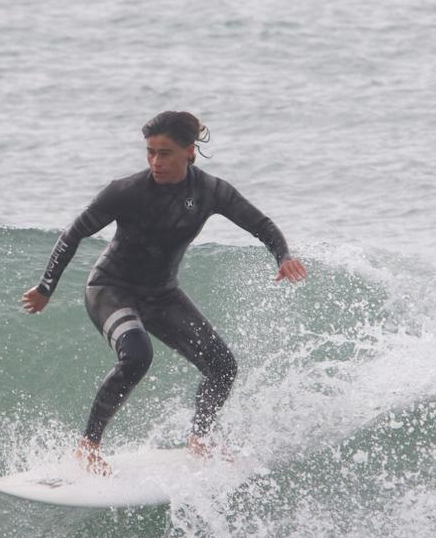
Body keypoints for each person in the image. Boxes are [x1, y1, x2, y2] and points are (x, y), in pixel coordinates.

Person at [20, 111, 306, 475]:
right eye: (150, 152)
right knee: (137, 356)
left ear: (190, 152)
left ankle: (199, 439)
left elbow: (260, 224)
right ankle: (87, 446)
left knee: (222, 366)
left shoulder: (211, 191)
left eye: (165, 153)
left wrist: (282, 256)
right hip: (111, 288)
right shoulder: (125, 192)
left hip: (161, 294)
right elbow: (72, 234)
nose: (156, 161)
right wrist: (46, 288)